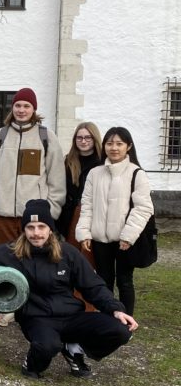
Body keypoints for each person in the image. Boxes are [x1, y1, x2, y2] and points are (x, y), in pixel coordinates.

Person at [0, 200, 137, 380]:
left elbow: (93, 286)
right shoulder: (10, 253)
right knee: (47, 347)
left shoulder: (68, 253)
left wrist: (116, 309)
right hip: (37, 318)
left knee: (121, 330)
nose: (36, 233)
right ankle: (31, 364)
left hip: (71, 316)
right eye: (30, 227)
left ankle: (74, 350)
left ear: (50, 229)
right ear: (24, 230)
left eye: (41, 226)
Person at [76, 126, 153, 317]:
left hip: (124, 240)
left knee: (125, 281)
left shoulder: (137, 174)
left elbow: (143, 208)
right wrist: (84, 232)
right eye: (109, 143)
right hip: (100, 238)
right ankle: (106, 319)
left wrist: (128, 236)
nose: (114, 148)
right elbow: (87, 205)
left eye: (119, 143)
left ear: (128, 146)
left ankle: (127, 320)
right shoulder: (95, 173)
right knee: (103, 280)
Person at [0, 87, 65, 247]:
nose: (21, 110)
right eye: (18, 105)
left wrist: (51, 210)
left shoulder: (46, 137)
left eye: (26, 106)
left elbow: (57, 178)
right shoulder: (0, 136)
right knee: (5, 265)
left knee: (34, 265)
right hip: (1, 216)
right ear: (12, 108)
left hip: (35, 218)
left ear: (34, 109)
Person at [57, 121, 103, 260]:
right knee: (71, 254)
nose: (83, 141)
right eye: (79, 137)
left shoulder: (102, 162)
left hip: (94, 214)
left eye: (88, 137)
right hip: (70, 214)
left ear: (94, 139)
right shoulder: (68, 161)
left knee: (92, 255)